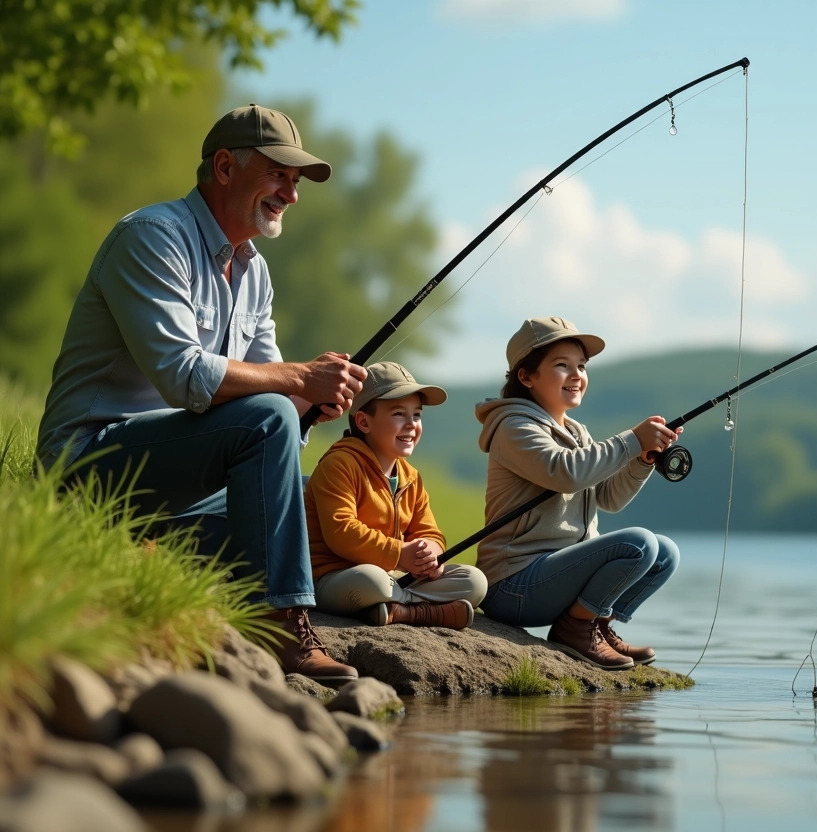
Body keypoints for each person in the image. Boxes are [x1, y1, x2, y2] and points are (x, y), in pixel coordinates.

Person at [35, 104, 365, 684]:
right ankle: (282, 625)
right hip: (87, 465)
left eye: (295, 182)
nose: (290, 194)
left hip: (171, 481)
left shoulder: (255, 271)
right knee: (268, 420)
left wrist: (311, 400)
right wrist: (295, 379)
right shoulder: (152, 236)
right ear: (223, 167)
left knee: (306, 499)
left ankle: (153, 549)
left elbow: (267, 402)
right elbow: (183, 375)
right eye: (278, 175)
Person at [474, 316, 681, 670]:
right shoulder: (514, 427)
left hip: (554, 578)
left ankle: (595, 624)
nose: (576, 375)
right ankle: (576, 628)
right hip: (513, 587)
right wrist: (631, 441)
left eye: (581, 366)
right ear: (527, 377)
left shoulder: (577, 432)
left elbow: (609, 498)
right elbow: (566, 473)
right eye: (562, 365)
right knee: (639, 543)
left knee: (665, 553)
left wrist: (641, 460)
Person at [305, 361, 488, 628]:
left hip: (394, 576)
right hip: (335, 577)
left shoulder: (410, 476)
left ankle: (395, 610)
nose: (411, 425)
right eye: (399, 414)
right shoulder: (339, 464)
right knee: (372, 582)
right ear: (364, 422)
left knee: (474, 581)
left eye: (417, 415)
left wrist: (429, 557)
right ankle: (425, 612)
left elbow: (430, 533)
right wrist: (400, 554)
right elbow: (341, 532)